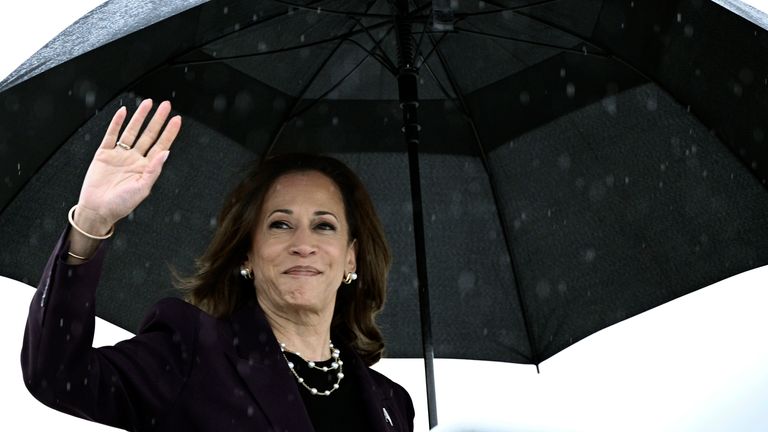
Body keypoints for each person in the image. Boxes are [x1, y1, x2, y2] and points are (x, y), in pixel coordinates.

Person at [21, 99, 415, 432]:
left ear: (351, 256)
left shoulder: (393, 403)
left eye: (324, 226)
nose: (303, 244)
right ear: (247, 253)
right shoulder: (190, 351)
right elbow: (58, 376)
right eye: (280, 224)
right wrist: (92, 222)